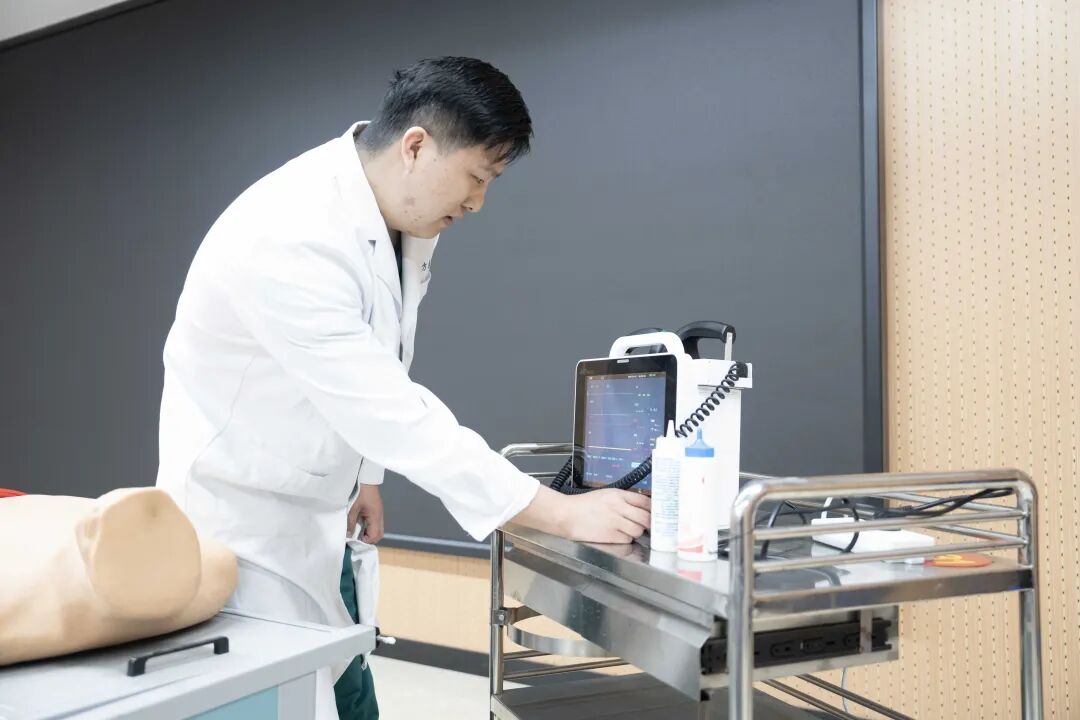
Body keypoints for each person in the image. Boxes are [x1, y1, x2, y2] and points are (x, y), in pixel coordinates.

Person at [155, 56, 651, 720]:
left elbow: (377, 358)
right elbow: (388, 407)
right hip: (241, 528)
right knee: (283, 698)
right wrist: (558, 513)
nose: (477, 203)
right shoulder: (288, 233)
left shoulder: (396, 220)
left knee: (345, 682)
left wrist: (365, 474)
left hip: (318, 512)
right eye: (477, 177)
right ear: (415, 146)